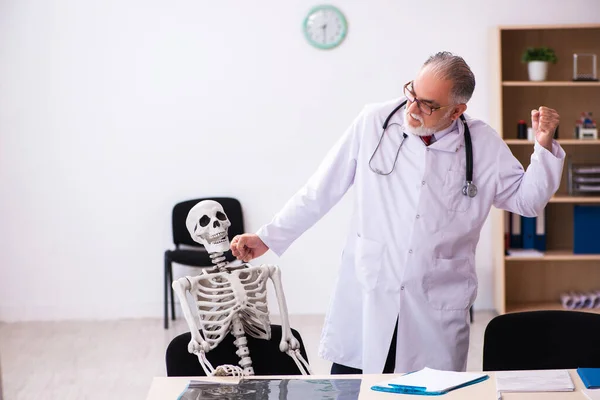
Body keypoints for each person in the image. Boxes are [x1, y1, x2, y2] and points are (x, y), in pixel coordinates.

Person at [230, 52, 565, 374]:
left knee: (431, 390)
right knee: (354, 387)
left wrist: (544, 146)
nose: (413, 108)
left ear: (457, 110)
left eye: (428, 105)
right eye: (412, 93)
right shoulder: (374, 122)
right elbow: (321, 190)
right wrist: (266, 237)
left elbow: (527, 201)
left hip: (436, 304)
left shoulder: (484, 144)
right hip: (371, 290)